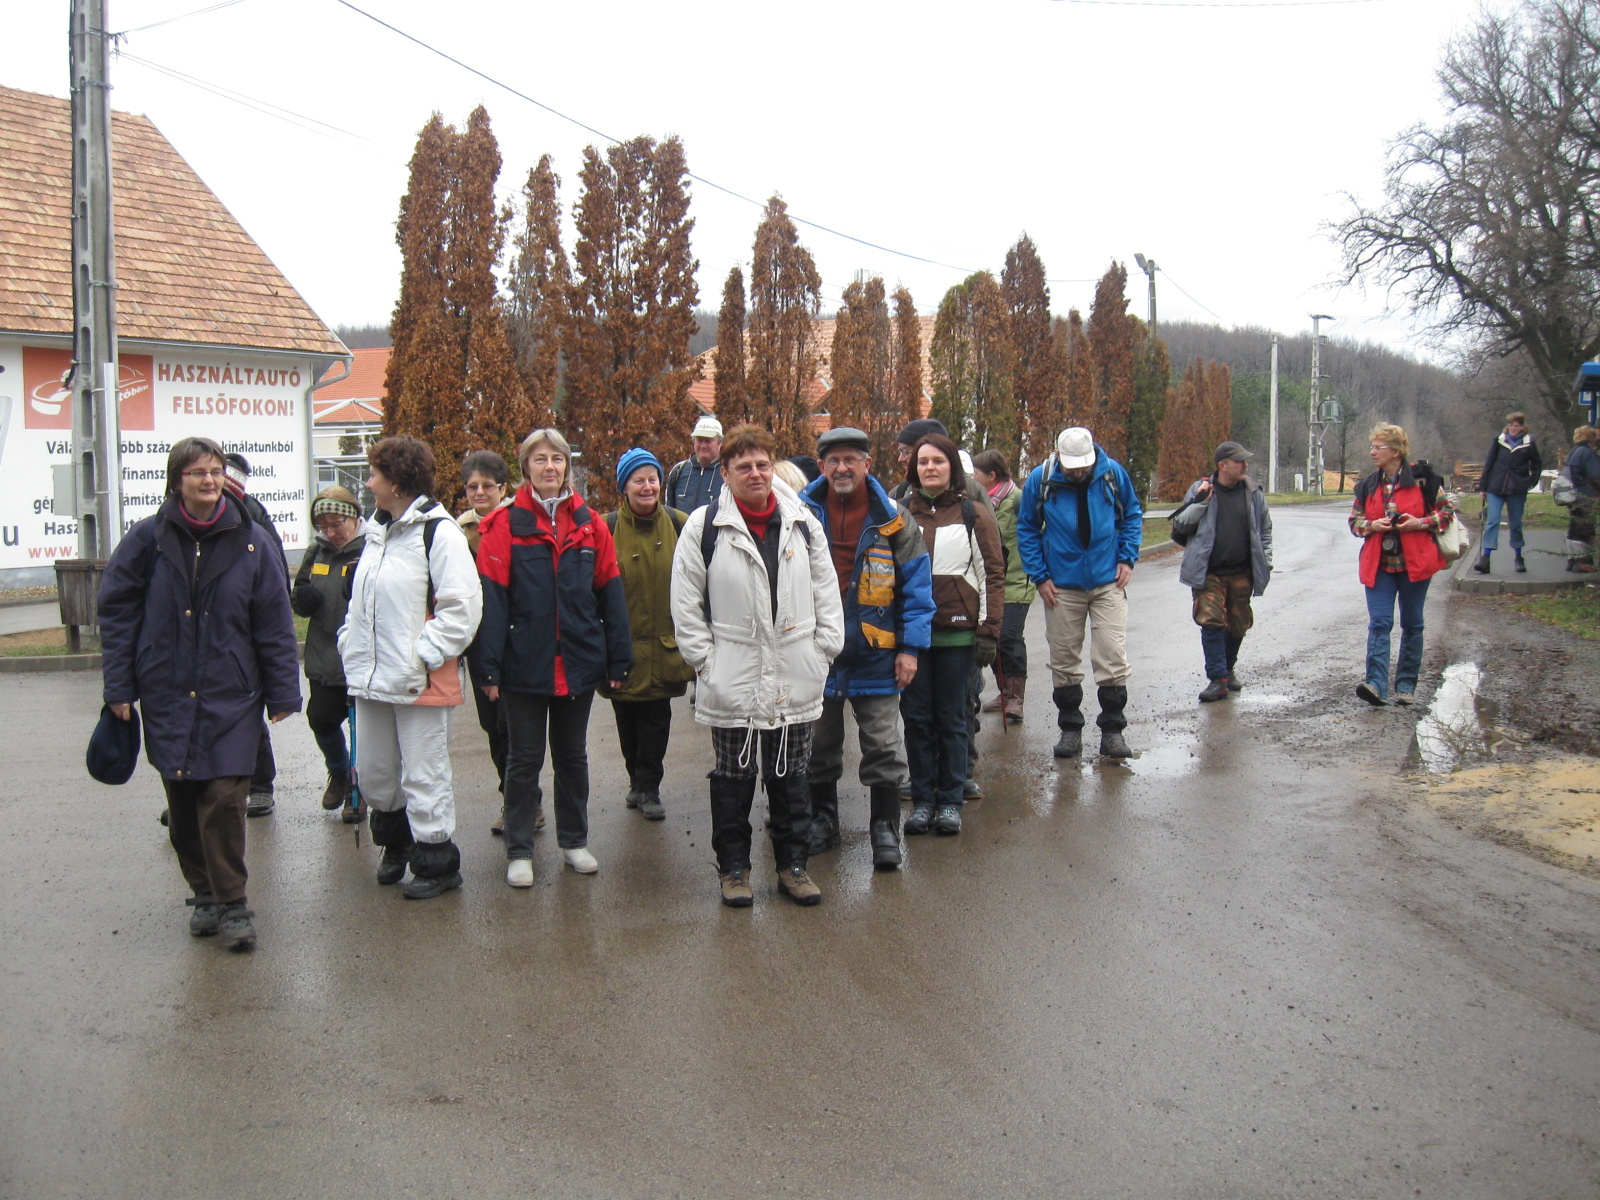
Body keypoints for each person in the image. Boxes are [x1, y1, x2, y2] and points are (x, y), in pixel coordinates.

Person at [98, 436, 302, 951]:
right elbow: (117, 613)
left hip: (231, 692)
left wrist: (281, 692)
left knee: (225, 799)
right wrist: (119, 686)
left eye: (214, 471)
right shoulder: (148, 540)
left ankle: (233, 904)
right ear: (177, 480)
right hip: (165, 688)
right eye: (197, 473)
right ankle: (204, 895)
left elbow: (274, 623)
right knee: (184, 800)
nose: (209, 480)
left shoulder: (251, 541)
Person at [670, 424, 844, 907]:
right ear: (724, 473)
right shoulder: (704, 527)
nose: (755, 473)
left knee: (792, 774)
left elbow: (827, 592)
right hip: (734, 677)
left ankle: (793, 867)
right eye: (742, 466)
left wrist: (823, 651)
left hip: (795, 673)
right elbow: (685, 605)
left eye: (762, 464)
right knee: (734, 776)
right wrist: (707, 665)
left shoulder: (803, 522)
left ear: (773, 468)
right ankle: (735, 871)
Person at [473, 429, 631, 888]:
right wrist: (488, 668)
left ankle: (574, 841)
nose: (549, 467)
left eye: (557, 459)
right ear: (525, 468)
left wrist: (618, 658)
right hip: (524, 665)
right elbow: (493, 604)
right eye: (539, 459)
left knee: (572, 756)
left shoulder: (590, 525)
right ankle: (519, 849)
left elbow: (609, 594)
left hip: (578, 662)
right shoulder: (502, 527)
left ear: (566, 467)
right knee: (523, 759)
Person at [339, 436, 482, 898]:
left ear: (397, 481)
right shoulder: (377, 533)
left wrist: (423, 653)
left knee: (424, 773)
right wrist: (350, 644)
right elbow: (361, 603)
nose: (369, 481)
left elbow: (462, 607)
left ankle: (436, 862)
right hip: (372, 680)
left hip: (420, 680)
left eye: (375, 473)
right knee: (375, 771)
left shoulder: (438, 533)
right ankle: (396, 844)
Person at [800, 427, 934, 869]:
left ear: (866, 465)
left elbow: (917, 588)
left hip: (876, 654)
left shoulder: (894, 518)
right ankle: (823, 821)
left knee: (882, 745)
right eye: (833, 460)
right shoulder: (799, 513)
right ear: (821, 466)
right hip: (817, 655)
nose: (842, 468)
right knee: (818, 746)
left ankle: (884, 827)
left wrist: (911, 649)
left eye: (850, 460)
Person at [1016, 426, 1143, 759]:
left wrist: (1127, 557)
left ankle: (1113, 731)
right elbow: (1027, 528)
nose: (1078, 471)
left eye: (1083, 465)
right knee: (1063, 661)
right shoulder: (1040, 480)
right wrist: (1039, 576)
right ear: (1059, 456)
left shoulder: (1112, 474)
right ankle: (1070, 730)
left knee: (1112, 658)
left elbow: (1132, 513)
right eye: (1073, 466)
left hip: (1107, 582)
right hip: (1061, 585)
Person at [900, 434, 1005, 837]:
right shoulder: (900, 513)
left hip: (959, 637)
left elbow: (992, 573)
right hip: (912, 638)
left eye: (938, 461)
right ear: (914, 469)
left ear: (951, 468)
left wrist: (989, 630)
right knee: (917, 720)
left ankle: (950, 802)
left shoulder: (972, 513)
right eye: (923, 462)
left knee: (952, 718)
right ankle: (923, 800)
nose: (930, 467)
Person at [604, 447, 694, 822]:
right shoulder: (605, 527)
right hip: (621, 647)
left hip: (664, 644)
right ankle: (635, 781)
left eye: (652, 479)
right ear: (624, 487)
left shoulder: (680, 524)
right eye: (638, 480)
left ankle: (650, 786)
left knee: (657, 718)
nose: (647, 486)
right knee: (626, 719)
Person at [1349, 423, 1454, 706]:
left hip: (1415, 565)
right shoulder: (1368, 484)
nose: (1372, 452)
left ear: (1395, 452)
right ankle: (1376, 685)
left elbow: (1446, 515)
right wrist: (1373, 525)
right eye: (1372, 446)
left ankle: (1406, 685)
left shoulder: (1424, 481)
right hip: (1379, 566)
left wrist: (1419, 523)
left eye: (1378, 447)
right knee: (1380, 623)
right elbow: (1354, 524)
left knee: (1412, 624)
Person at [1169, 442, 1274, 703]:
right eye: (1239, 461)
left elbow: (1266, 530)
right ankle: (1217, 679)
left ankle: (1227, 669)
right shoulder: (1201, 489)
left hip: (1242, 572)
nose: (1244, 465)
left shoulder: (1253, 492)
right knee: (1211, 622)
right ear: (1222, 465)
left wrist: (1266, 561)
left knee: (1238, 624)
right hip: (1209, 573)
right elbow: (1181, 524)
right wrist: (1201, 501)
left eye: (1244, 461)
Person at [290, 486, 366, 819]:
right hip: (324, 653)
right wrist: (302, 599)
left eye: (336, 524)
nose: (330, 532)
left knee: (364, 729)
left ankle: (360, 789)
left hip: (363, 656)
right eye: (323, 526)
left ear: (354, 518)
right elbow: (299, 593)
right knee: (321, 718)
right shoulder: (316, 551)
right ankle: (338, 771)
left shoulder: (370, 549)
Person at [455, 449, 519, 837]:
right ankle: (510, 794)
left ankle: (521, 802)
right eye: (472, 487)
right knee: (491, 726)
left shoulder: (516, 523)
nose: (480, 493)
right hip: (478, 642)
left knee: (512, 726)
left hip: (513, 640)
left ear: (503, 488)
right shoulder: (456, 531)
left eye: (487, 486)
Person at [223, 451, 286, 817]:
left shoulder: (254, 518)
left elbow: (274, 569)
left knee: (247, 712)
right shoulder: (177, 517)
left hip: (243, 630)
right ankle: (193, 796)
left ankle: (261, 785)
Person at [970, 449, 1035, 723]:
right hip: (992, 582)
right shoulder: (981, 501)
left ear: (992, 476)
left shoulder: (1018, 499)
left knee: (1009, 636)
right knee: (993, 639)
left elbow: (1035, 533)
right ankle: (1004, 692)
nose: (972, 478)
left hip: (1019, 581)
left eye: (976, 474)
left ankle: (1016, 697)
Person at [1475, 411, 1543, 575]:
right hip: (1496, 487)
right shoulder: (1499, 441)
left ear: (1522, 427)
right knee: (1492, 521)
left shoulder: (1528, 444)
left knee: (1515, 523)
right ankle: (1485, 558)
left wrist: (1531, 482)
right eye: (1511, 425)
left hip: (1517, 489)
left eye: (1517, 426)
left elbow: (1537, 464)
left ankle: (1519, 557)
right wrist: (1483, 487)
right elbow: (1489, 463)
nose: (1513, 428)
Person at [664, 415, 723, 513]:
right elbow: (669, 510)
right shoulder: (679, 471)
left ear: (720, 443)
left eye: (708, 441)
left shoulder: (727, 474)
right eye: (699, 440)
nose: (703, 446)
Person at [1563, 425, 1600, 573]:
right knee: (1585, 528)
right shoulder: (1587, 453)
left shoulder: (1573, 452)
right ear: (1590, 437)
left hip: (1572, 495)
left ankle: (1572, 560)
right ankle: (1582, 561)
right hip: (1585, 495)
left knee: (1574, 527)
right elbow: (1595, 476)